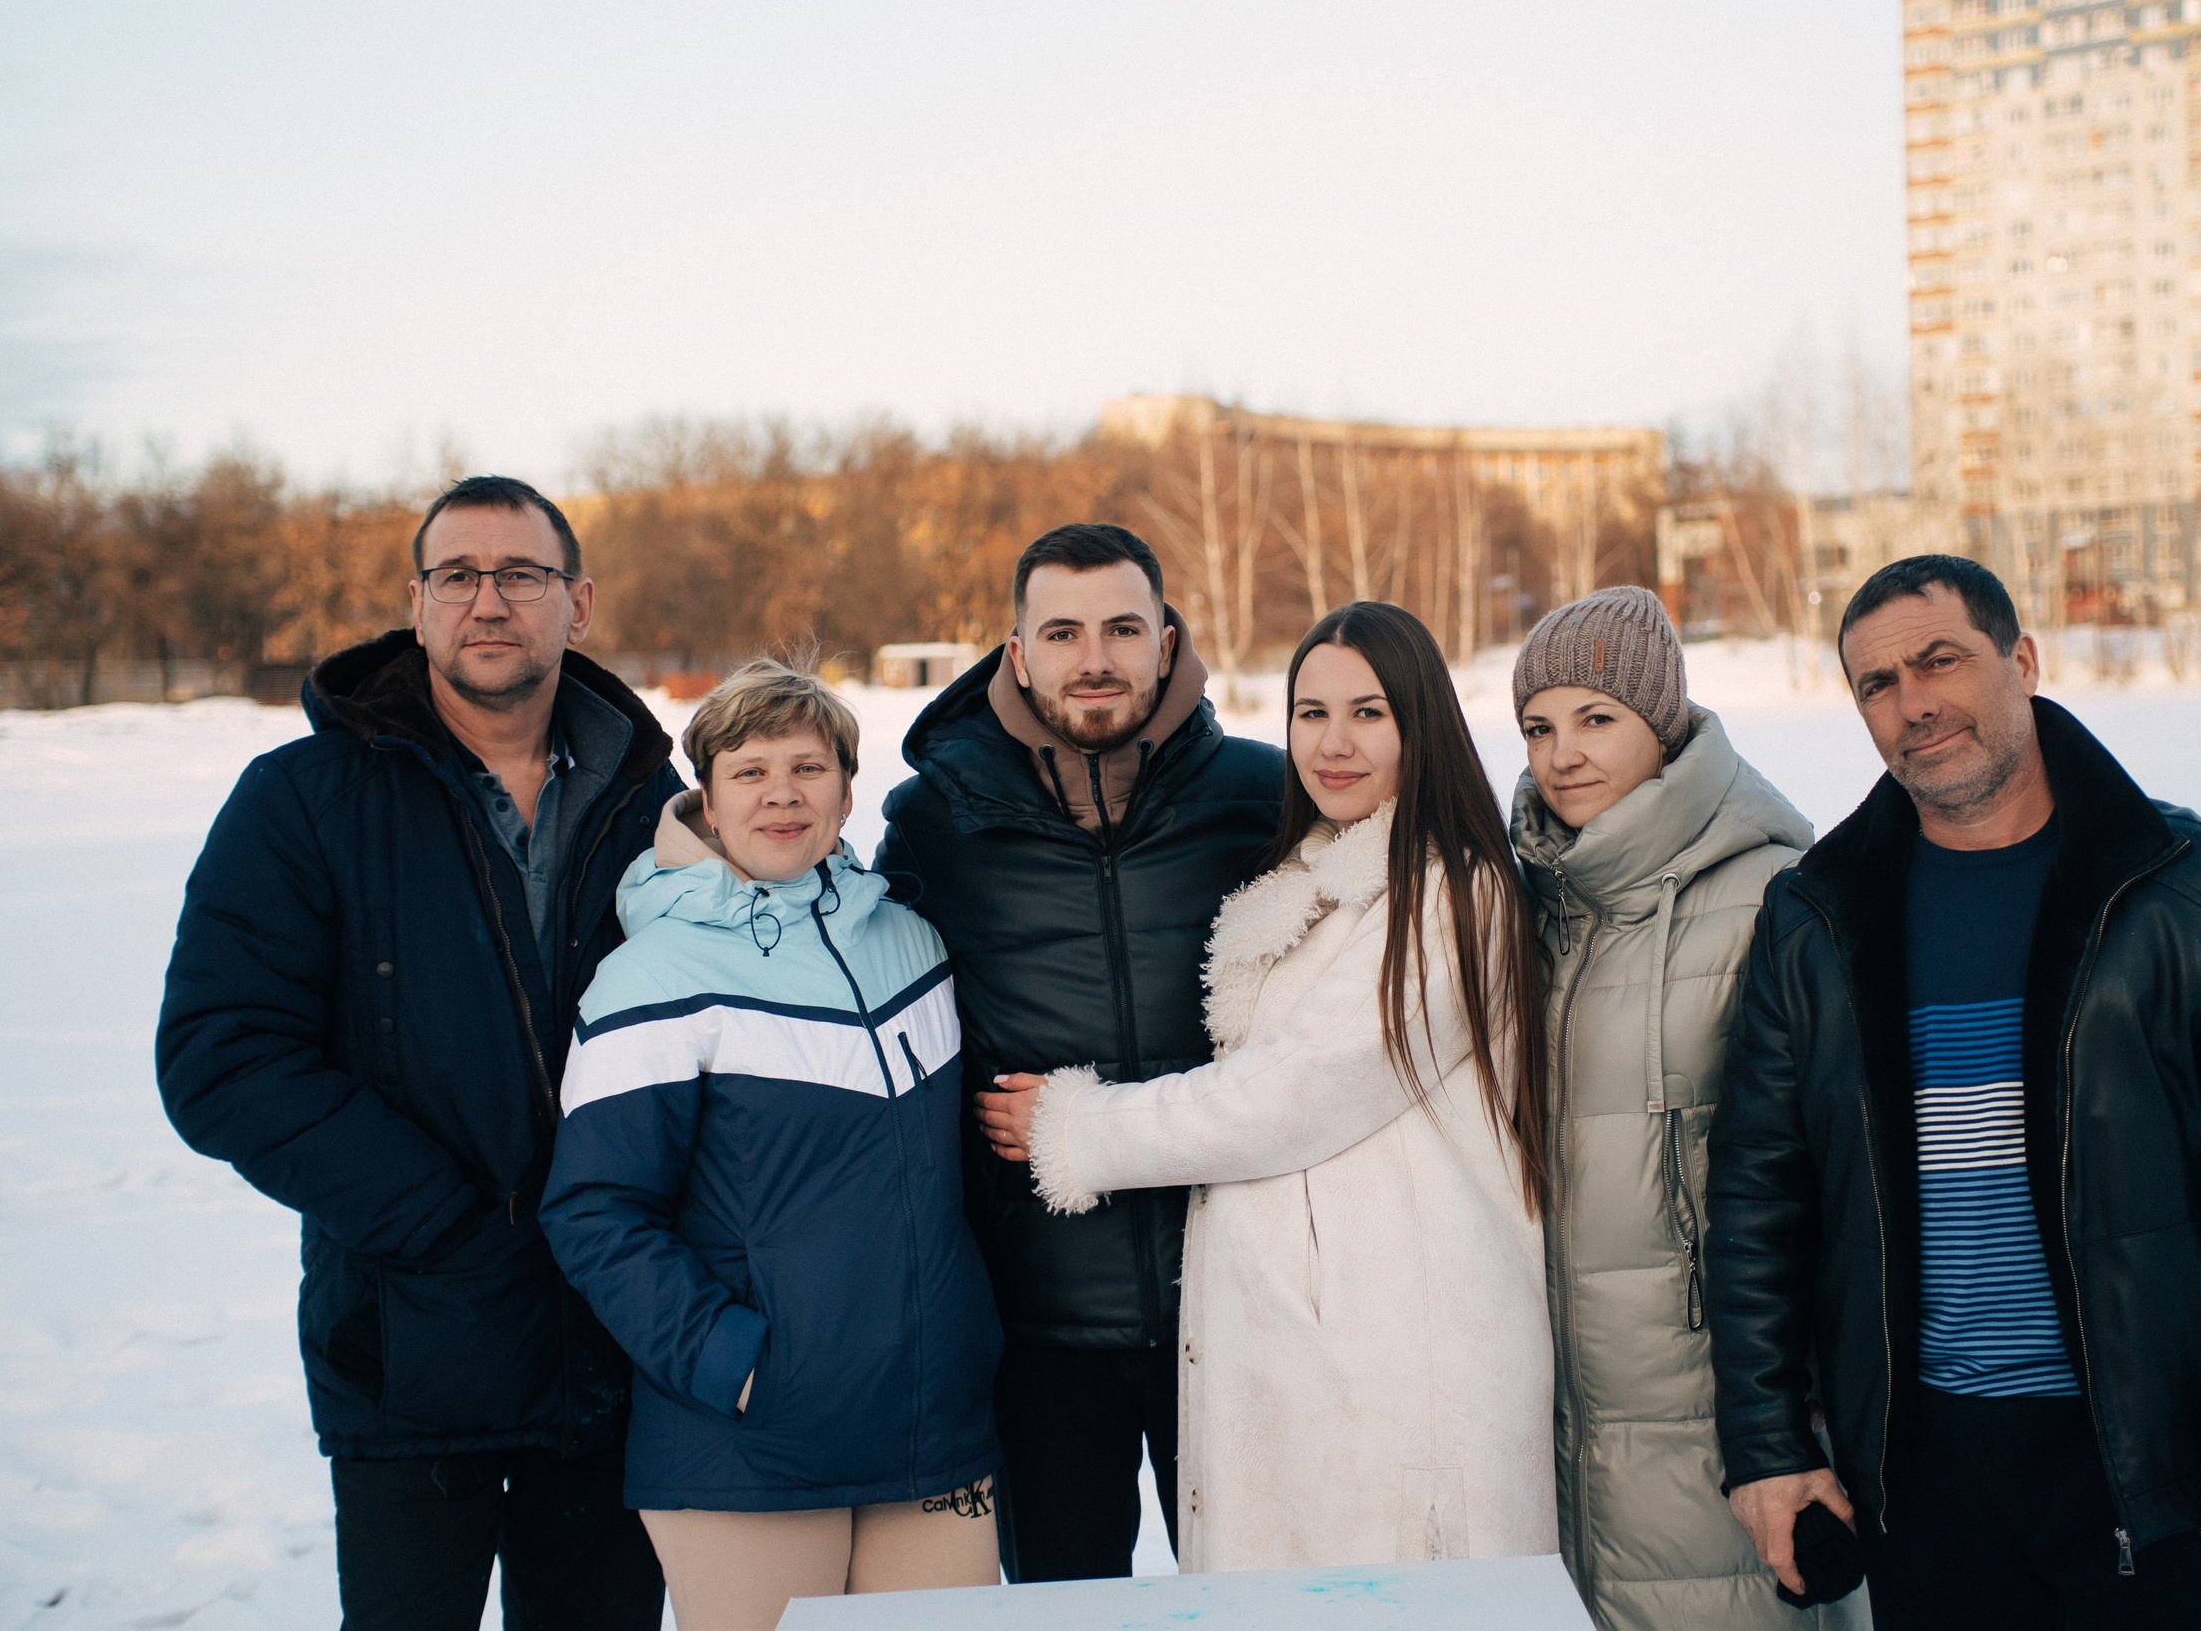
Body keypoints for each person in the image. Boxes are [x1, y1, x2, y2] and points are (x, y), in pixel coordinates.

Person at [1707, 555, 2201, 1630]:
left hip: (2149, 1463)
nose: (1912, 702)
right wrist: (1767, 1445)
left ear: (2021, 660)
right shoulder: (1821, 917)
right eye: (1876, 684)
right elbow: (1755, 1194)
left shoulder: (2194, 887)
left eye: (1940, 660)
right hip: (1924, 1477)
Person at [157, 476, 683, 1628]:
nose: (488, 600)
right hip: (409, 1352)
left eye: (522, 575)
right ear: (417, 601)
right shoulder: (304, 798)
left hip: (617, 1349)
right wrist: (445, 1228)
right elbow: (221, 1054)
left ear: (577, 603)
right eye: (458, 575)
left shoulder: (663, 807)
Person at [977, 600, 1557, 1573]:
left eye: (1370, 712)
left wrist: (1080, 1125)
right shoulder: (1317, 884)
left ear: (1423, 724)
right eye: (1310, 711)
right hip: (1319, 1352)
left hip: (1404, 1356)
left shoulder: (1454, 892)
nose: (1333, 743)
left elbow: (1295, 1091)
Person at [539, 661, 1003, 1629]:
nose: (782, 793)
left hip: (930, 1426)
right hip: (750, 1441)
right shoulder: (652, 975)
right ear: (707, 797)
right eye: (750, 770)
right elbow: (594, 1210)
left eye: (809, 765)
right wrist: (735, 1363)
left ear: (846, 790)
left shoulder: (913, 942)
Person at [874, 522, 1284, 1581]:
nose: (1092, 657)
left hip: (1239, 1299)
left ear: (1165, 639)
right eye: (1060, 631)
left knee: (1266, 1596)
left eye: (1119, 627)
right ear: (1016, 653)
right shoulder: (934, 819)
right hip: (1036, 1317)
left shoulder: (1264, 795)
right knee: (1065, 1602)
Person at [1505, 589, 1855, 1631]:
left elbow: (1828, 1177)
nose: (1562, 753)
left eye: (1596, 716)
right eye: (1537, 726)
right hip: (1571, 1405)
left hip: (1723, 1406)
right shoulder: (1533, 906)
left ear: (1662, 720)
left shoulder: (1775, 893)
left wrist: (1789, 1425)